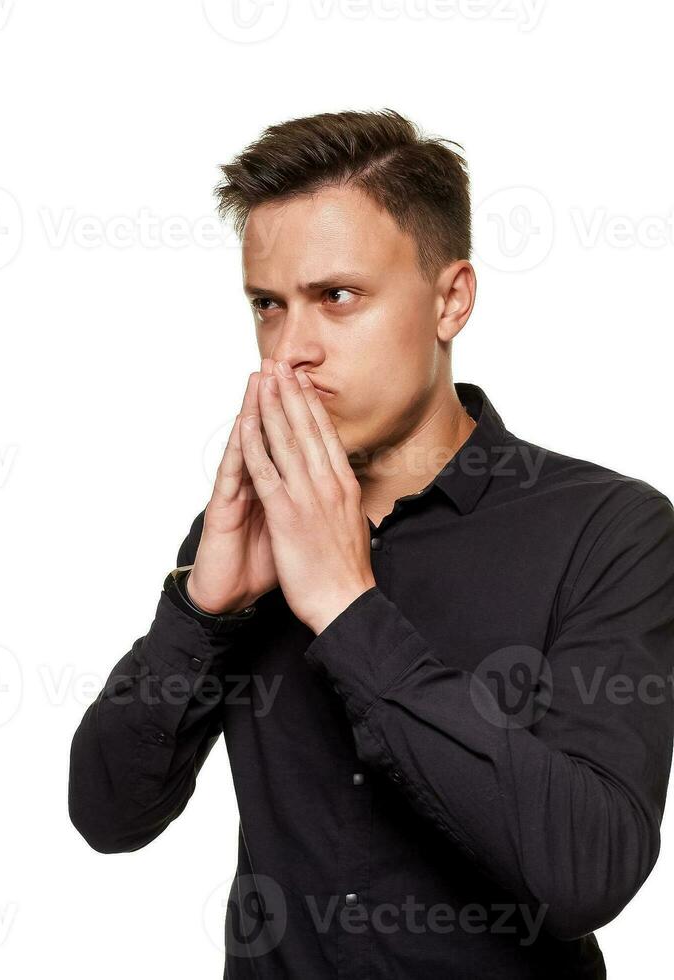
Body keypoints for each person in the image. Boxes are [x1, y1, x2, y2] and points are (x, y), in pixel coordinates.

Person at [67, 108, 674, 977]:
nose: (291, 351)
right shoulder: (249, 524)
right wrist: (200, 613)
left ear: (451, 299)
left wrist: (348, 611)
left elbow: (587, 872)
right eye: (267, 306)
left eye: (337, 297)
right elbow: (108, 815)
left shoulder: (609, 530)